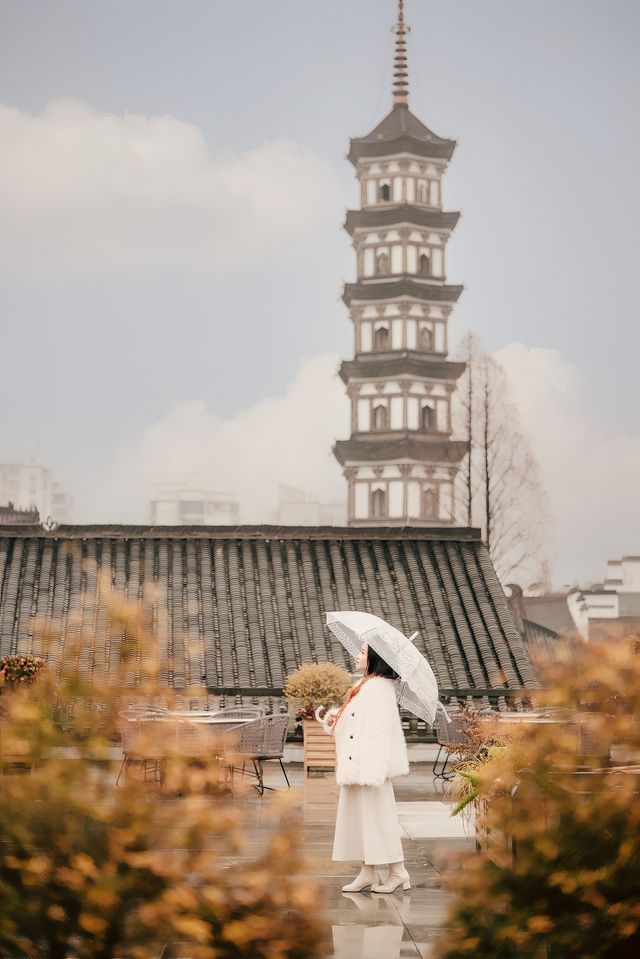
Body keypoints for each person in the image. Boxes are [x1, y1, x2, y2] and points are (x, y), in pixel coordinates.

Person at [317, 641, 411, 894]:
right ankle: (368, 872)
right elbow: (356, 723)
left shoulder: (378, 688)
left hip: (370, 766)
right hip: (356, 764)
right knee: (361, 820)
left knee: (379, 819)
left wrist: (371, 769)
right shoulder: (366, 685)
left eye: (361, 652)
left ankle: (398, 871)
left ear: (375, 658)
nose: (356, 655)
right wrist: (335, 719)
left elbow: (379, 730)